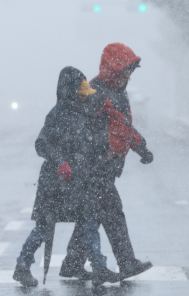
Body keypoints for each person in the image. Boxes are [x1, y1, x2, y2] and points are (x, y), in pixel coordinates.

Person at [13, 66, 120, 287]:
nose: (83, 96)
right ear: (70, 90)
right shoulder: (57, 115)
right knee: (44, 227)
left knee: (88, 221)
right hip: (55, 184)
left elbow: (84, 146)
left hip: (79, 182)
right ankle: (22, 267)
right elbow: (41, 144)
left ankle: (98, 266)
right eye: (80, 92)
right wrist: (61, 161)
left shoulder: (80, 113)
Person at [60, 43, 154, 281]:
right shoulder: (93, 91)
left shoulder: (119, 91)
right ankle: (126, 262)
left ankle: (72, 263)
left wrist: (141, 147)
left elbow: (123, 127)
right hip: (94, 166)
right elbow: (77, 124)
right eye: (125, 71)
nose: (129, 76)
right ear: (113, 69)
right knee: (112, 213)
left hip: (107, 166)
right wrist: (93, 150)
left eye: (131, 71)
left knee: (94, 215)